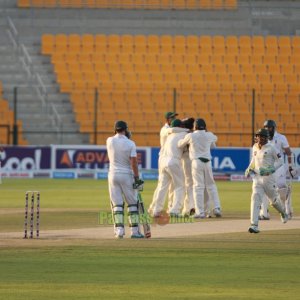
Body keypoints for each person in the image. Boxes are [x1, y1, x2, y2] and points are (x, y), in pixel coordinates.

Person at [245, 128, 288, 234]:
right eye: (259, 136)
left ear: (267, 138)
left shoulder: (271, 148)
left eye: (263, 136)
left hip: (269, 178)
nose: (260, 138)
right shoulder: (255, 146)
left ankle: (283, 212)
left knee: (273, 201)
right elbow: (253, 160)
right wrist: (249, 168)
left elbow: (280, 161)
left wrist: (271, 169)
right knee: (255, 198)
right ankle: (254, 225)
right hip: (257, 178)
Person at [106, 120, 144, 239]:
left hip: (112, 175)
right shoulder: (131, 143)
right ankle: (134, 231)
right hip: (126, 175)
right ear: (126, 129)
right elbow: (134, 163)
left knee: (117, 204)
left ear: (115, 129)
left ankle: (119, 231)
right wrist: (137, 178)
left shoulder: (109, 140)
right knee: (132, 203)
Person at [178, 118, 222, 218]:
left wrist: (183, 138)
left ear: (195, 127)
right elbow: (214, 144)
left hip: (196, 162)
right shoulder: (209, 135)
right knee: (211, 185)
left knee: (198, 187)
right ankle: (217, 208)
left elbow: (180, 144)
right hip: (208, 163)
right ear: (205, 127)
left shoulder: (191, 135)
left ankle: (200, 212)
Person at [149, 119, 188, 216]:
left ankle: (156, 210)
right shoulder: (183, 134)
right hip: (173, 161)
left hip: (163, 161)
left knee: (162, 187)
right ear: (180, 127)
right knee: (180, 186)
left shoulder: (169, 136)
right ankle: (175, 210)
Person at [259, 120, 296, 220]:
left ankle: (287, 210)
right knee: (263, 189)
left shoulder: (281, 137)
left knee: (282, 191)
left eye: (269, 127)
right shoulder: (262, 138)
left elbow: (289, 153)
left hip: (279, 168)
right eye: (266, 127)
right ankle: (264, 213)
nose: (267, 129)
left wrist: (291, 167)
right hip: (266, 168)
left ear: (274, 128)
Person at [148, 111, 178, 216]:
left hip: (170, 158)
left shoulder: (173, 128)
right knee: (162, 185)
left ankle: (169, 207)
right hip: (164, 158)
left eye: (175, 117)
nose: (174, 119)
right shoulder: (165, 129)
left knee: (172, 185)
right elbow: (174, 130)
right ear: (167, 120)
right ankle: (154, 207)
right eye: (172, 118)